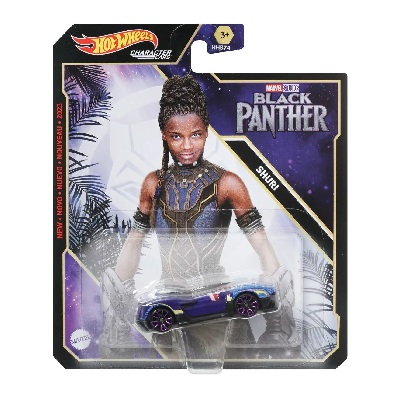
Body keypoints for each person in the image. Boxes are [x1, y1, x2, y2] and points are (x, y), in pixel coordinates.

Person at [100, 74, 299, 359]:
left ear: (206, 132)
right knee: (171, 371)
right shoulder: (153, 185)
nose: (186, 146)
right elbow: (134, 241)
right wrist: (118, 307)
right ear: (164, 135)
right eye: (176, 136)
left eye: (195, 134)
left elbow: (262, 245)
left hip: (218, 303)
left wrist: (277, 319)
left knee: (235, 367)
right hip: (168, 306)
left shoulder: (228, 183)